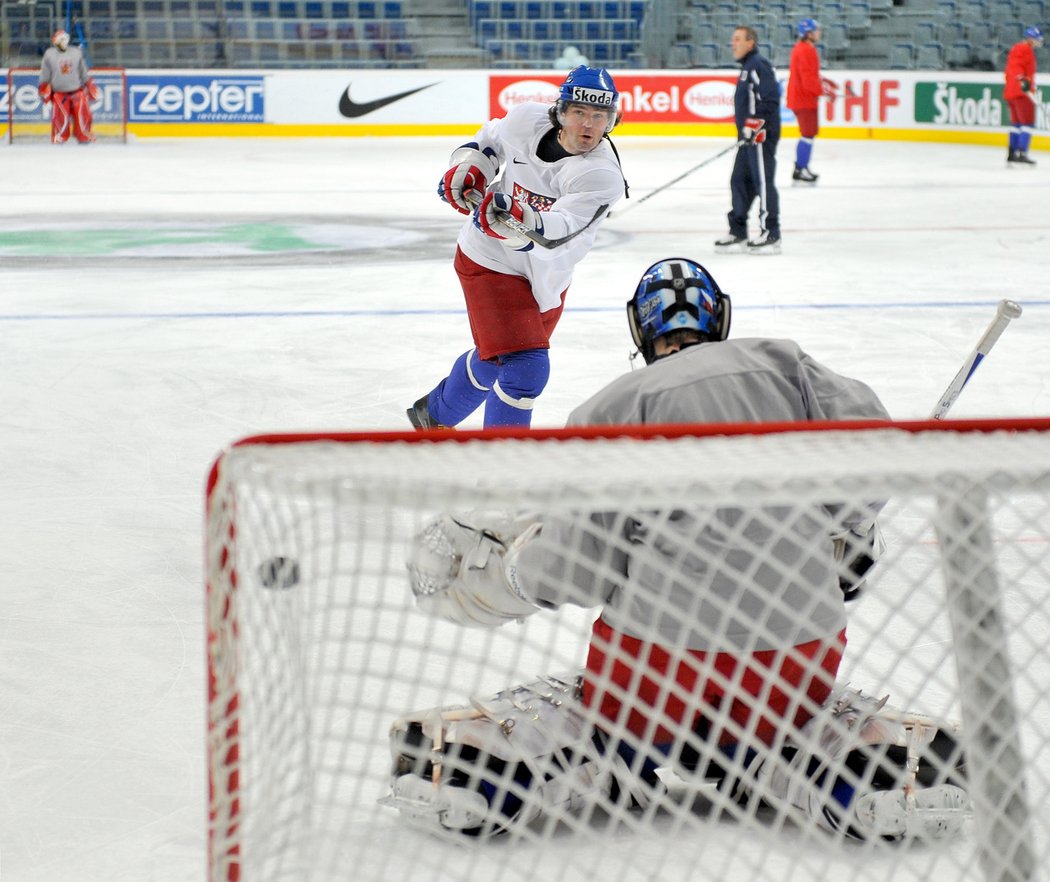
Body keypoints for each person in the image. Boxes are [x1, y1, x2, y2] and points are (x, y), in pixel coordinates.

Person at [387, 258, 969, 841]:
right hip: (801, 654)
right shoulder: (789, 365)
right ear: (720, 316)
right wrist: (842, 531)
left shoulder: (608, 409)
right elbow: (874, 469)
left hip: (655, 665)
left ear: (641, 332)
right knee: (794, 717)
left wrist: (506, 574)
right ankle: (821, 764)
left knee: (595, 711)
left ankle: (537, 765)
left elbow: (576, 570)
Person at [406, 65, 627, 430]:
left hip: (547, 279)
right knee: (526, 367)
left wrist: (517, 219)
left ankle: (434, 414)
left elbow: (558, 233)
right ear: (561, 111)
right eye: (579, 113)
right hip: (487, 260)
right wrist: (471, 167)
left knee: (497, 357)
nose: (588, 125)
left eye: (599, 116)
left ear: (611, 121)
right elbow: (489, 140)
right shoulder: (526, 119)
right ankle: (503, 471)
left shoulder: (601, 175)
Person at [716, 26, 782, 255]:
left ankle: (771, 233)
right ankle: (738, 231)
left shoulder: (758, 65)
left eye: (737, 39)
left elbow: (771, 99)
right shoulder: (747, 68)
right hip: (748, 140)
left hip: (760, 138)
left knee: (763, 183)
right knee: (739, 181)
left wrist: (754, 126)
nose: (732, 43)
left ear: (750, 42)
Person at [787, 18, 838, 184]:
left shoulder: (805, 48)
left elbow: (811, 75)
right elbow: (808, 80)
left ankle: (801, 167)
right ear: (808, 33)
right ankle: (800, 169)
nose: (819, 33)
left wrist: (826, 83)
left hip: (803, 98)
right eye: (816, 30)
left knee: (808, 134)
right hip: (804, 99)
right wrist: (825, 91)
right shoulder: (805, 50)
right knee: (807, 134)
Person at [38, 29, 97, 145]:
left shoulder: (76, 52)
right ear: (55, 41)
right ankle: (60, 137)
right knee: (60, 119)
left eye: (65, 39)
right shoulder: (49, 54)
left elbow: (83, 72)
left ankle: (84, 136)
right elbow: (45, 74)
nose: (64, 42)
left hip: (77, 91)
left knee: (83, 116)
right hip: (59, 93)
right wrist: (43, 88)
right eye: (61, 39)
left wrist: (89, 84)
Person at [1004, 26, 1043, 166]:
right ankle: (1022, 153)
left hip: (1011, 91)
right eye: (1037, 39)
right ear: (1031, 38)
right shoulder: (1024, 49)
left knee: (1016, 124)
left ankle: (1011, 153)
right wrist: (1023, 81)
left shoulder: (1018, 48)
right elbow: (1016, 67)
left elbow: (1012, 67)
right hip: (1021, 92)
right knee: (1027, 123)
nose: (1038, 41)